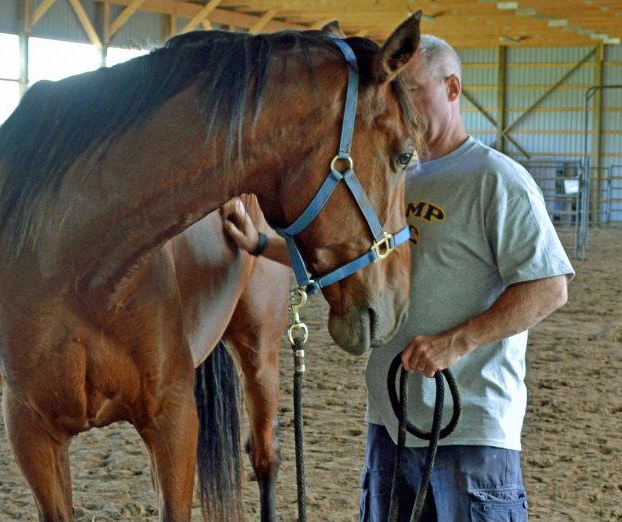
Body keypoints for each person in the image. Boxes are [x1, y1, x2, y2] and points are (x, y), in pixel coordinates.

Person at [222, 34, 574, 522]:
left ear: (453, 89)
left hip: (469, 428)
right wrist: (264, 246)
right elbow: (358, 257)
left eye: (412, 93)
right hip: (390, 422)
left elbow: (549, 286)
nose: (398, 105)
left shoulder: (497, 180)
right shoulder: (392, 173)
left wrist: (457, 342)